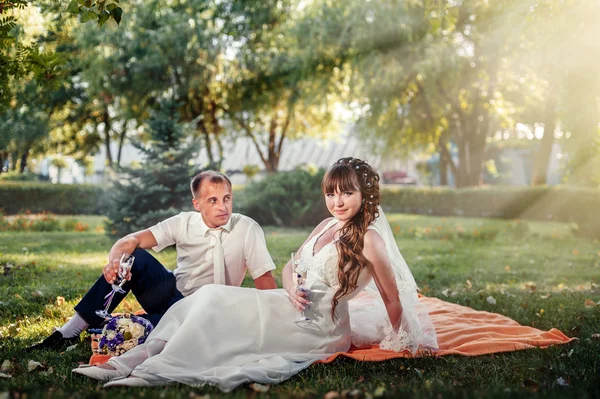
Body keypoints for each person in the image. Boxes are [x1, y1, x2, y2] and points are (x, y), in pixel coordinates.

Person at [72, 157, 437, 390]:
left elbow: (391, 295)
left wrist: (406, 338)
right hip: (290, 303)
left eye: (346, 194)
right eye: (331, 194)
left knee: (218, 309)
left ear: (363, 195)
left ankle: (153, 369)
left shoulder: (370, 239)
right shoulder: (327, 224)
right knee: (207, 298)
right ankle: (126, 362)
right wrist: (292, 285)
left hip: (320, 327)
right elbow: (296, 262)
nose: (338, 202)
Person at [28, 170, 277, 351]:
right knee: (133, 257)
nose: (223, 207)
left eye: (227, 198)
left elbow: (264, 278)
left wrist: (275, 324)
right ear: (197, 203)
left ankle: (128, 328)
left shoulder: (247, 228)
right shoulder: (183, 222)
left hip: (208, 311)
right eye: (213, 200)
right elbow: (130, 240)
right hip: (171, 293)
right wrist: (114, 262)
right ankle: (70, 331)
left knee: (145, 332)